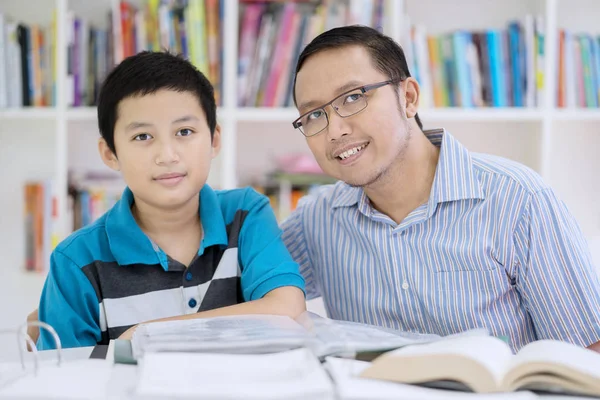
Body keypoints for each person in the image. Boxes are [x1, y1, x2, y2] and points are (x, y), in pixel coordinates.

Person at [281, 25, 600, 353]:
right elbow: (236, 287)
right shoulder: (315, 221)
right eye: (314, 115)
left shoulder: (520, 200)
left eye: (353, 97)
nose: (334, 130)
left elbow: (590, 353)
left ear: (408, 98)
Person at [34, 51, 305, 349]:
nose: (167, 155)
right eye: (142, 137)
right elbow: (64, 379)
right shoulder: (77, 260)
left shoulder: (244, 214)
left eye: (184, 132)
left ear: (214, 140)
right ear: (110, 153)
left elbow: (286, 309)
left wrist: (143, 334)